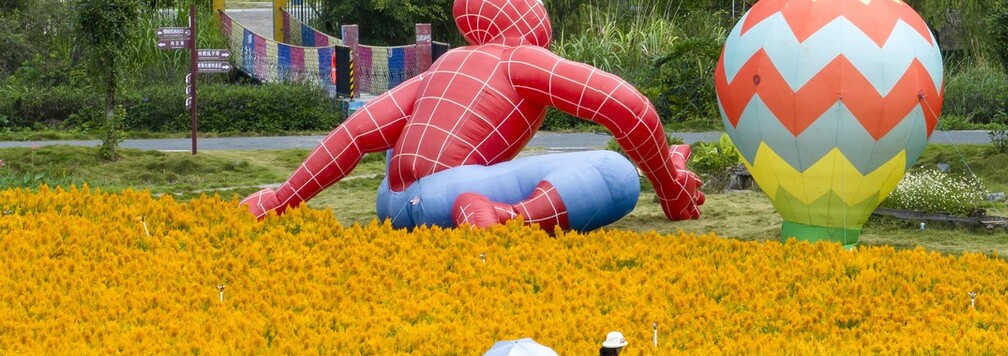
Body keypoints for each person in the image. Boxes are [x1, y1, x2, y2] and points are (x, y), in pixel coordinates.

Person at [239, 0, 703, 232]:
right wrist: (669, 185)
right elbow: (630, 109)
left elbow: (357, 134)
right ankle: (507, 219)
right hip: (452, 196)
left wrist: (280, 198)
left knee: (428, 152)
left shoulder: (446, 62)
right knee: (615, 172)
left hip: (393, 205)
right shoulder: (520, 59)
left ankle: (485, 210)